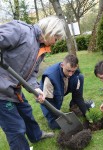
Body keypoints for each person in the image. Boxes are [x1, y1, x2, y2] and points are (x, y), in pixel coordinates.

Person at [0, 15, 66, 150]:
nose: (55, 42)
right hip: (1, 90)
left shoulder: (41, 49)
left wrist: (36, 88)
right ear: (50, 31)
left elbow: (32, 74)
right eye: (56, 38)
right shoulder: (20, 30)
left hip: (14, 88)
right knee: (16, 127)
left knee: (27, 112)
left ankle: (36, 135)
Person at [40, 54, 95, 129]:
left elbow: (78, 97)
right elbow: (48, 101)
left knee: (80, 77)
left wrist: (87, 115)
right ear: (62, 65)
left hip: (63, 88)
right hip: (48, 98)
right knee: (55, 124)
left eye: (73, 71)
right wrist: (61, 116)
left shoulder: (74, 73)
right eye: (68, 70)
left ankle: (74, 106)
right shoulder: (50, 77)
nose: (70, 74)